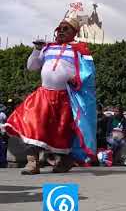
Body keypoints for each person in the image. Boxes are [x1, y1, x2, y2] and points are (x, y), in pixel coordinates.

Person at [4, 13, 97, 174]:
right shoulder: (47, 48)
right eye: (59, 28)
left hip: (66, 97)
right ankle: (32, 163)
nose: (60, 31)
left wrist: (78, 79)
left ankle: (65, 162)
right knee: (32, 124)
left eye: (65, 29)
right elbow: (32, 67)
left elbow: (88, 72)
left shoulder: (80, 50)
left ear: (73, 32)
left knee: (63, 131)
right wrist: (36, 50)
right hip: (44, 95)